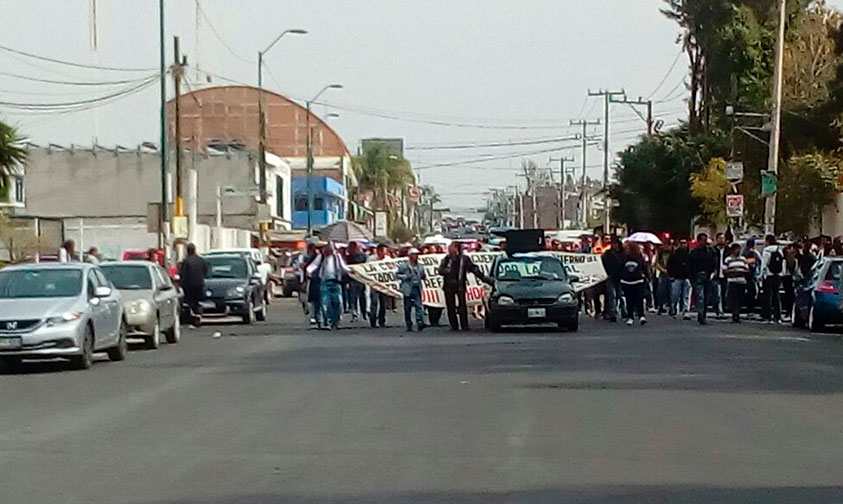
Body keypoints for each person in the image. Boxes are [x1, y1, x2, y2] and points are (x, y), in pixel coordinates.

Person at [437, 241, 491, 331]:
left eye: (452, 247)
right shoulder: (446, 259)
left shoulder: (464, 259)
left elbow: (473, 268)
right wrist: (447, 271)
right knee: (450, 306)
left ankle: (464, 325)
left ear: (456, 248)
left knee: (462, 305)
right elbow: (440, 270)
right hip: (448, 285)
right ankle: (454, 325)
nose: (450, 249)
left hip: (460, 284)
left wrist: (483, 277)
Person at [307, 242, 349, 330]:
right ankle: (328, 321)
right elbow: (314, 265)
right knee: (326, 303)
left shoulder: (337, 257)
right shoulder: (321, 257)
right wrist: (309, 271)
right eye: (328, 249)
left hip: (336, 282)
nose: (329, 251)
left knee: (338, 302)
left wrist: (352, 271)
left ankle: (336, 321)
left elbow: (343, 267)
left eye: (331, 249)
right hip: (325, 282)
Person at [689, 233, 717, 325]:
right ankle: (701, 314)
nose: (704, 242)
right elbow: (690, 267)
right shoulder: (694, 253)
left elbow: (714, 263)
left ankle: (703, 313)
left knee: (706, 296)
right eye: (702, 240)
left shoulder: (711, 251)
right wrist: (692, 279)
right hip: (698, 276)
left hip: (708, 275)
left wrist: (714, 272)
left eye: (705, 240)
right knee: (700, 296)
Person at [396, 248, 427, 332]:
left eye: (417, 255)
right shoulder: (404, 266)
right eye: (414, 254)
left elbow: (423, 275)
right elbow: (397, 275)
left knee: (418, 306)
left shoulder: (420, 266)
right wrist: (406, 277)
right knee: (407, 307)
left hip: (417, 287)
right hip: (408, 288)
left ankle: (420, 323)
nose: (416, 256)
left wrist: (423, 276)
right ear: (410, 256)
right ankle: (409, 324)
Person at [620, 241, 650, 326]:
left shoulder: (640, 257)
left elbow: (645, 267)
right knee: (629, 299)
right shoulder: (623, 257)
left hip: (638, 280)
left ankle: (641, 315)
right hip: (626, 281)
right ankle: (630, 317)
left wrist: (647, 276)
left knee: (639, 298)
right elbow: (620, 268)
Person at [179, 243, 208, 327]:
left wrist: (181, 284)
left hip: (189, 285)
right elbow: (205, 271)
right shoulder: (201, 260)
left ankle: (193, 317)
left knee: (189, 302)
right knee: (197, 301)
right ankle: (198, 315)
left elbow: (183, 274)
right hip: (199, 284)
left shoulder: (186, 261)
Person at [760, 234, 784, 324]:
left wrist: (761, 275)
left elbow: (764, 264)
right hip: (777, 275)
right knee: (776, 296)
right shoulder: (779, 250)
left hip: (768, 276)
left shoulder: (766, 251)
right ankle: (778, 316)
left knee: (767, 296)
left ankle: (768, 316)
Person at [724, 243, 749, 323]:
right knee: (733, 299)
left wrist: (741, 271)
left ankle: (738, 313)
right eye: (737, 249)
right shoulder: (728, 259)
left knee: (740, 299)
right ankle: (735, 314)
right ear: (733, 250)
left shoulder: (743, 259)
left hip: (741, 281)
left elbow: (747, 269)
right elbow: (724, 270)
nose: (738, 251)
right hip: (732, 281)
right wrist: (732, 271)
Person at [600, 237, 624, 322]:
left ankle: (618, 310)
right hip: (610, 276)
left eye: (616, 243)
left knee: (618, 295)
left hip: (620, 276)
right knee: (612, 295)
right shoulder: (608, 253)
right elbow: (602, 262)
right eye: (613, 243)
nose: (614, 245)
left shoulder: (623, 254)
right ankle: (612, 312)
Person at [667, 238, 691, 319]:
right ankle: (674, 309)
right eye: (681, 243)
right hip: (676, 277)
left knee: (686, 295)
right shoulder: (674, 254)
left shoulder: (690, 254)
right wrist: (671, 275)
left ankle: (685, 311)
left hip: (687, 277)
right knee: (675, 295)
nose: (683, 245)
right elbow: (669, 265)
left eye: (685, 243)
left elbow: (693, 265)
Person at [368, 244, 391, 328]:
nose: (385, 254)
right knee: (374, 302)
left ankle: (382, 320)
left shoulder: (388, 259)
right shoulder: (371, 259)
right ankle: (373, 320)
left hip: (384, 285)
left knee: (383, 303)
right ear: (378, 251)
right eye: (383, 252)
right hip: (374, 284)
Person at [344, 241, 368, 322]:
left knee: (362, 297)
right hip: (352, 280)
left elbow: (363, 265)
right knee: (353, 298)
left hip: (361, 279)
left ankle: (364, 313)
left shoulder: (362, 256)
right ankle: (355, 314)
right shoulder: (347, 257)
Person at [742, 238, 762, 314]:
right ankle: (750, 309)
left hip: (749, 276)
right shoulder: (750, 253)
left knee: (751, 293)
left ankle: (750, 309)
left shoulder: (745, 252)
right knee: (751, 293)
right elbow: (754, 263)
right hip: (750, 276)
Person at [654, 241, 673, 314]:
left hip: (671, 273)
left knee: (670, 291)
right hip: (662, 273)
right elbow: (656, 263)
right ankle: (661, 306)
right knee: (661, 291)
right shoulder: (659, 254)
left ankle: (671, 307)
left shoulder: (672, 254)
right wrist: (662, 269)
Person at [713, 233, 728, 318]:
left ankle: (723, 309)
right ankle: (719, 311)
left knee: (724, 293)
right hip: (716, 276)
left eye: (723, 238)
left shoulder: (728, 250)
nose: (721, 240)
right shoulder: (713, 250)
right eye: (719, 238)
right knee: (717, 294)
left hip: (726, 276)